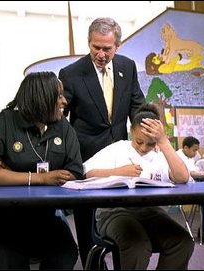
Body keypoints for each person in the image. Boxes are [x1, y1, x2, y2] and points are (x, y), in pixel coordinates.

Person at [0, 71, 83, 269]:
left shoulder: (64, 127)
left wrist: (10, 172)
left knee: (66, 254)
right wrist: (42, 178)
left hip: (44, 216)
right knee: (11, 260)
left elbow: (73, 172)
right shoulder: (5, 122)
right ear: (41, 98)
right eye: (58, 96)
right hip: (1, 215)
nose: (65, 101)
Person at [58, 17, 145, 264]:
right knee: (86, 219)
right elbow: (60, 116)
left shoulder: (127, 68)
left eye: (106, 48)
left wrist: (146, 136)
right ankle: (90, 264)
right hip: (86, 157)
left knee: (120, 216)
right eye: (95, 47)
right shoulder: (71, 73)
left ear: (117, 46)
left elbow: (136, 106)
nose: (100, 53)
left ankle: (120, 260)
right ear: (89, 43)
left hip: (121, 154)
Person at [84, 103, 194, 269]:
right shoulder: (118, 148)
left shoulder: (161, 154)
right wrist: (119, 171)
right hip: (113, 211)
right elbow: (87, 173)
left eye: (150, 144)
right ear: (131, 133)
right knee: (137, 244)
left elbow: (183, 177)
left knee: (183, 242)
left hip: (150, 211)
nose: (143, 148)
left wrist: (163, 142)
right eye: (139, 141)